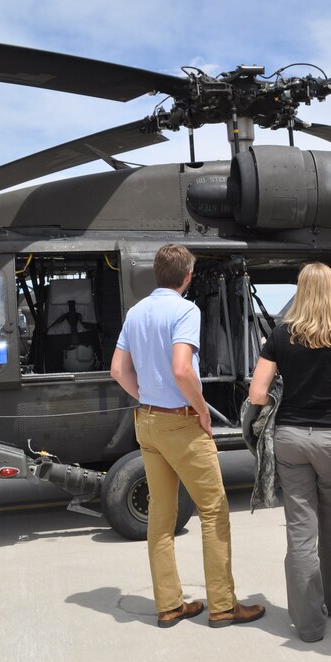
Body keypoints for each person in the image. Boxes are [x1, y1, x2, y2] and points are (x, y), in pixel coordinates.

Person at [111, 244, 265, 629]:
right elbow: (183, 369)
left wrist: (146, 396)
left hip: (146, 420)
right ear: (187, 276)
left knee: (161, 519)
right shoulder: (185, 310)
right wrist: (200, 409)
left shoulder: (136, 312)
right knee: (214, 512)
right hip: (179, 421)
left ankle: (169, 605)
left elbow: (117, 369)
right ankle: (224, 605)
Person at [249, 263, 331, 642]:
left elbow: (257, 394)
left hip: (289, 438)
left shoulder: (281, 335)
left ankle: (307, 625)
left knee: (300, 533)